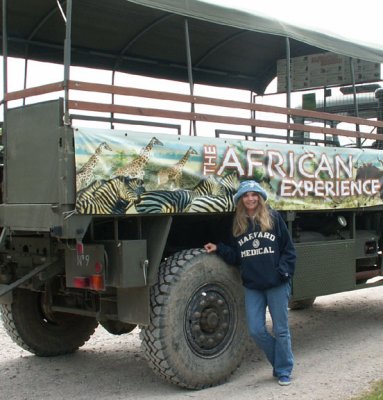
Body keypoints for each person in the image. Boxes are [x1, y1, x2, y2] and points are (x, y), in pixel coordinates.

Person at [204, 180, 296, 386]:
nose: (250, 198)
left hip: (276, 283)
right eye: (246, 195)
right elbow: (237, 256)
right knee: (256, 330)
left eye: (254, 194)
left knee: (281, 329)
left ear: (260, 197)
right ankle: (281, 361)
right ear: (240, 200)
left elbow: (289, 250)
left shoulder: (273, 218)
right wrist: (218, 248)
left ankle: (283, 370)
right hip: (253, 285)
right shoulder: (238, 225)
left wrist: (283, 273)